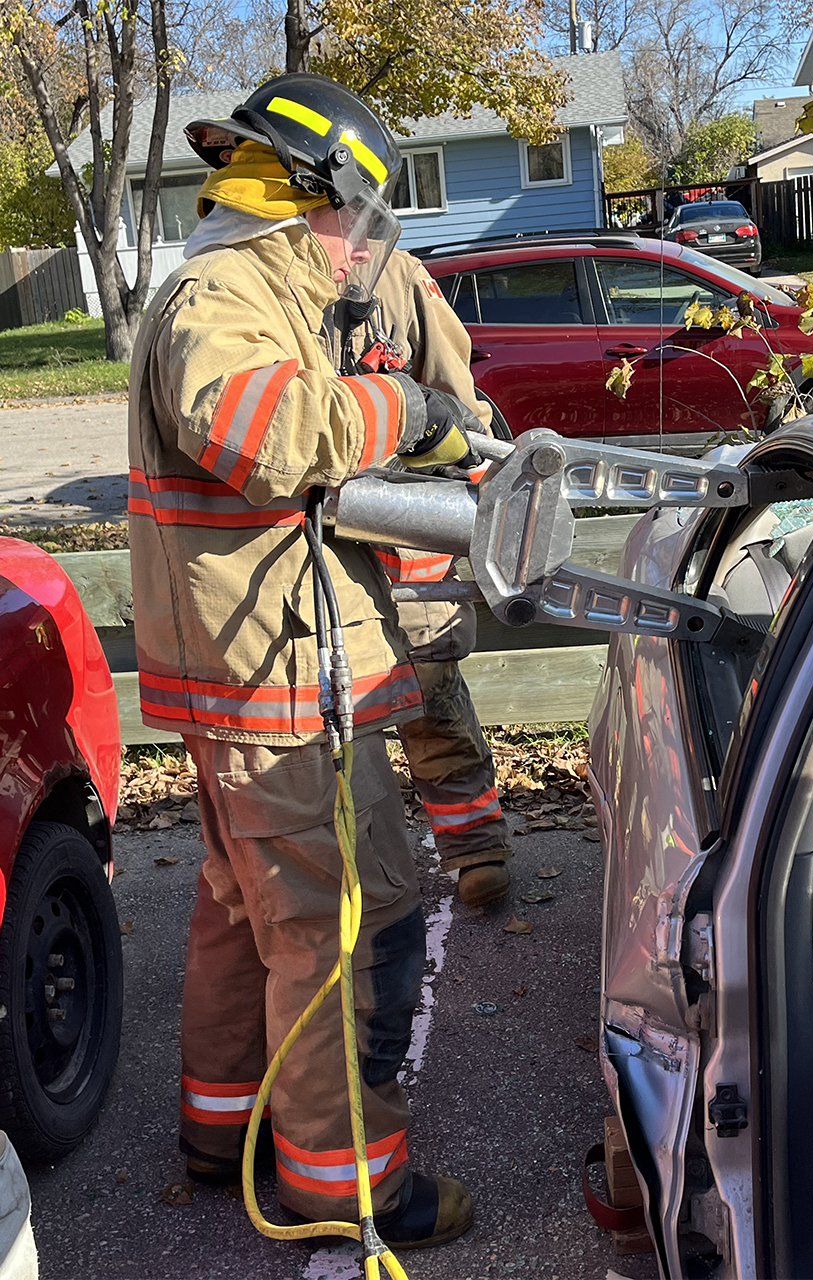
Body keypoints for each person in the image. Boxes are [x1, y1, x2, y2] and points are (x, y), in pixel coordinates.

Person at [127, 72, 478, 1248]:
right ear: (312, 199)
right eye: (358, 226)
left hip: (253, 672)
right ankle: (343, 1184)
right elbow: (271, 432)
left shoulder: (254, 292)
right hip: (272, 685)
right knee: (344, 924)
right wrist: (404, 412)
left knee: (245, 918)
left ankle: (220, 1133)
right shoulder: (221, 295)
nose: (357, 259)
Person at [337, 254, 512, 907]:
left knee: (436, 711)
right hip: (322, 557)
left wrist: (475, 503)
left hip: (408, 545)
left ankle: (475, 853)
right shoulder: (268, 277)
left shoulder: (398, 277)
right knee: (338, 735)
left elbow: (460, 409)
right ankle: (355, 882)